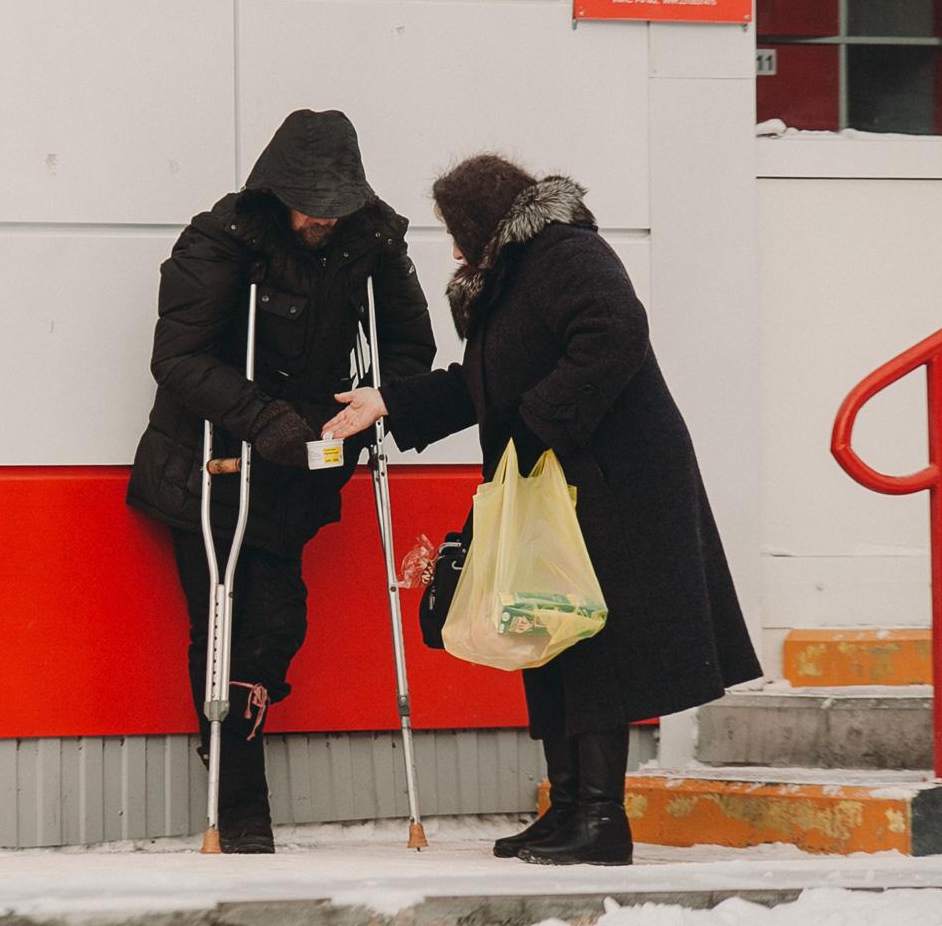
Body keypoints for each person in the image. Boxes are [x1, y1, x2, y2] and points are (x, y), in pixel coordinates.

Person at [324, 153, 761, 867]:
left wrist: (538, 424)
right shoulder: (510, 280)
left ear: (485, 220)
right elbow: (483, 382)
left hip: (612, 478)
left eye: (456, 229)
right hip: (556, 476)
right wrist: (391, 401)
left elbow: (615, 332)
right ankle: (567, 811)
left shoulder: (566, 255)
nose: (455, 246)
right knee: (548, 627)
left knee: (591, 639)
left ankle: (601, 820)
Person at [127, 108, 435, 854]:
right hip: (212, 464)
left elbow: (409, 344)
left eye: (332, 206)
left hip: (301, 470)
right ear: (276, 191)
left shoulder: (373, 240)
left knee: (275, 621)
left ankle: (241, 755)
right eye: (307, 204)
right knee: (223, 627)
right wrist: (264, 420)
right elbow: (179, 356)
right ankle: (241, 812)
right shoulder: (222, 240)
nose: (319, 219)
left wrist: (373, 403)